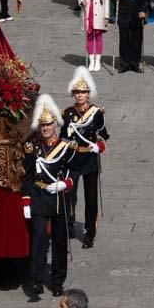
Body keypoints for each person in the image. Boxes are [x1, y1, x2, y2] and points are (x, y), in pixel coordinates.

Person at [22, 96, 74, 301]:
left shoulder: (66, 148)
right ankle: (37, 280)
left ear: (55, 125)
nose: (45, 128)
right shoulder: (33, 149)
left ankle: (57, 280)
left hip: (58, 197)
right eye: (42, 125)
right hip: (39, 196)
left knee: (60, 241)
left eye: (48, 125)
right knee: (40, 238)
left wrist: (66, 184)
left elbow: (73, 171)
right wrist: (26, 200)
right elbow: (27, 176)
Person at [62, 69, 108, 250]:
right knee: (69, 194)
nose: (80, 95)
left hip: (89, 157)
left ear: (88, 94)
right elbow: (63, 136)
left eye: (83, 92)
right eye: (77, 92)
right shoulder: (68, 113)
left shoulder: (96, 113)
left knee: (90, 198)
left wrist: (100, 147)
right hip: (73, 157)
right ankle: (70, 224)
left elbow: (104, 135)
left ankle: (90, 232)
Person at [113, 0, 150, 73]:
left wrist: (144, 11)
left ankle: (135, 64)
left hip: (137, 16)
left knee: (137, 40)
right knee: (124, 40)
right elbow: (113, 0)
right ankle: (124, 64)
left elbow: (146, 0)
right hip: (124, 16)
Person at [78, 0, 109, 72]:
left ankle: (98, 60)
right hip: (88, 12)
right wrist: (82, 1)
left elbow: (106, 0)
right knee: (90, 37)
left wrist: (106, 16)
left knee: (98, 37)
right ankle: (91, 61)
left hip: (99, 12)